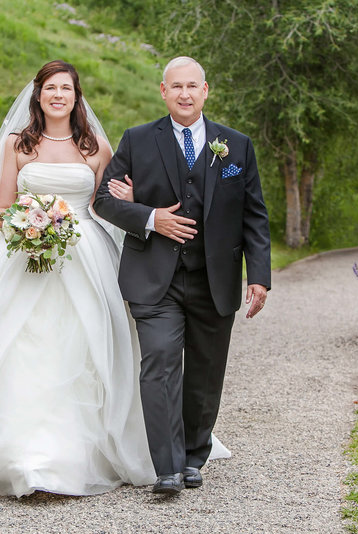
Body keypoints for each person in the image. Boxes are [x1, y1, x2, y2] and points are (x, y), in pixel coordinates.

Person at [0, 61, 160, 497]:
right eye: (51, 88)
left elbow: (105, 205)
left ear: (76, 95)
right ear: (38, 95)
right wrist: (28, 226)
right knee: (21, 344)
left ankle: (84, 449)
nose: (58, 95)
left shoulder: (96, 148)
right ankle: (18, 449)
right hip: (26, 256)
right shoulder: (18, 144)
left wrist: (129, 199)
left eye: (66, 88)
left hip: (86, 257)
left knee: (85, 343)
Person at [93, 56, 271, 494]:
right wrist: (151, 217)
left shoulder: (236, 146)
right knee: (158, 365)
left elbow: (254, 216)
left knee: (206, 374)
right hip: (155, 278)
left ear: (205, 90)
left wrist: (260, 275)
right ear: (163, 91)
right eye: (177, 87)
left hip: (216, 278)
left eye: (193, 86)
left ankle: (194, 456)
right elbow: (104, 200)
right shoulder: (137, 141)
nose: (185, 94)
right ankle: (167, 468)